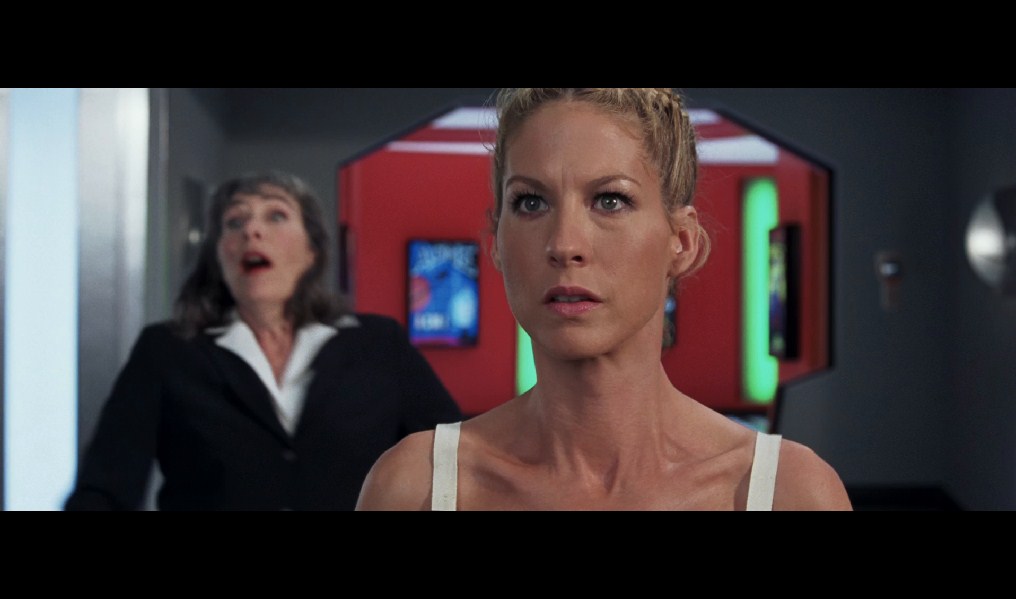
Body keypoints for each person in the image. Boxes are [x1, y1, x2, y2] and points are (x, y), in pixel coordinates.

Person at [356, 88, 852, 511]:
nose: (564, 244)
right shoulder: (415, 487)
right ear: (497, 244)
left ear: (681, 242)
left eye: (610, 200)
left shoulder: (789, 492)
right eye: (531, 202)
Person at [64, 170, 462, 511]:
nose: (252, 230)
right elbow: (103, 489)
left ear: (312, 250)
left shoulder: (380, 344)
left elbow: (457, 460)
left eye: (276, 215)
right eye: (234, 221)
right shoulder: (165, 351)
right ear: (219, 255)